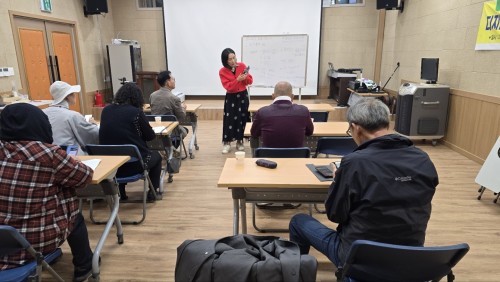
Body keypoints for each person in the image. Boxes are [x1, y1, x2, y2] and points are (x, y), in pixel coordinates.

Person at [289, 98, 438, 276]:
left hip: (359, 258)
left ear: (356, 127)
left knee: (299, 221)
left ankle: (295, 275)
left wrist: (338, 180)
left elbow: (336, 214)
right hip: (410, 256)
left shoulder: (354, 164)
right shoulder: (422, 158)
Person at [0, 103, 95, 281]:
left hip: (4, 240)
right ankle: (84, 266)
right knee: (75, 216)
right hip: (33, 239)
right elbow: (85, 177)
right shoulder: (47, 154)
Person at [99, 83, 162, 201]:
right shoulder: (136, 113)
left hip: (111, 167)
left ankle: (121, 193)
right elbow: (150, 136)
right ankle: (153, 192)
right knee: (156, 157)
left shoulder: (106, 110)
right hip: (134, 166)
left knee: (118, 150)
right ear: (138, 98)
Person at [250, 81, 314, 148]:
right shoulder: (303, 111)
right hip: (297, 156)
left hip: (269, 156)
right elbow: (309, 132)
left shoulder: (262, 112)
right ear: (292, 96)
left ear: (273, 96)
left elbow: (254, 134)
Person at [43, 80, 99, 155]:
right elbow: (91, 135)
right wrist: (93, 125)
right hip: (70, 154)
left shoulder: (42, 113)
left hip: (48, 154)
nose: (74, 95)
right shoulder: (72, 115)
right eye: (72, 93)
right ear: (67, 96)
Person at [219, 47, 253, 154]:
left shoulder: (242, 66)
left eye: (234, 58)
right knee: (229, 120)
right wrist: (237, 80)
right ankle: (227, 142)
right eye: (230, 59)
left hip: (243, 96)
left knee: (242, 118)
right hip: (231, 97)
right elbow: (228, 87)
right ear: (225, 61)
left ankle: (240, 141)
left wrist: (245, 77)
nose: (233, 61)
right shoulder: (222, 71)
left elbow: (250, 81)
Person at [150, 70, 188, 144]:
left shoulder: (152, 95)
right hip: (170, 131)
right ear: (168, 82)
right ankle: (171, 149)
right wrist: (183, 107)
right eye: (173, 79)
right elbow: (182, 117)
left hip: (155, 129)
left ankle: (168, 150)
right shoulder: (174, 98)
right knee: (184, 130)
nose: (174, 81)